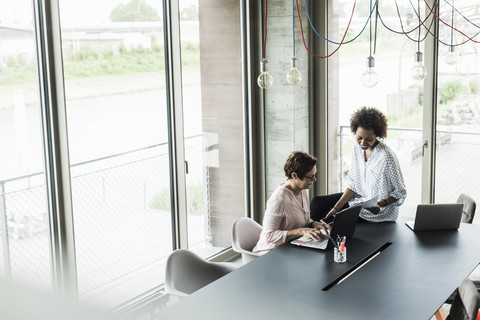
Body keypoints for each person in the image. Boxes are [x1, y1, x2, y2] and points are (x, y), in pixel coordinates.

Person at [324, 106, 407, 223]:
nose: (362, 143)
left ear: (377, 135)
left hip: (380, 214)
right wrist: (336, 208)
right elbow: (353, 185)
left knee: (332, 222)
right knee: (319, 203)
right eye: (359, 138)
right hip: (359, 205)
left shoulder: (387, 156)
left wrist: (380, 204)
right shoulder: (357, 149)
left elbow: (400, 191)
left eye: (369, 139)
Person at [253, 151, 331, 253]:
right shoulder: (279, 199)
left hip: (292, 246)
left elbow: (301, 221)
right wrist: (301, 231)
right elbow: (268, 236)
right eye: (310, 177)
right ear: (294, 175)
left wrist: (313, 224)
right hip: (272, 252)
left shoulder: (302, 191)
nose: (314, 179)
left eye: (314, 175)